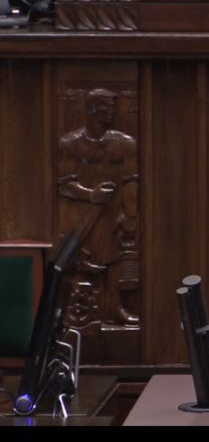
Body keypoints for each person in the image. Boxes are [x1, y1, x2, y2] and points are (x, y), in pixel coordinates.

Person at [58, 88, 140, 327]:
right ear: (93, 109)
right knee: (76, 262)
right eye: (107, 106)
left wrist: (130, 214)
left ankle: (113, 308)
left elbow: (131, 181)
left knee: (114, 261)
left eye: (113, 106)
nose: (112, 111)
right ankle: (68, 311)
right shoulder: (70, 144)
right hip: (80, 214)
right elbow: (63, 184)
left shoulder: (125, 144)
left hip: (112, 213)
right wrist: (91, 194)